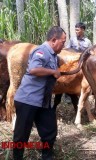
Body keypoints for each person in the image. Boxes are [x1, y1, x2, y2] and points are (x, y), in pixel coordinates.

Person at [13, 26, 66, 160]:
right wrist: (53, 72)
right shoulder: (41, 51)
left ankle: (47, 157)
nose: (63, 45)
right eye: (63, 42)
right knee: (22, 135)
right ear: (54, 40)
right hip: (27, 100)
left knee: (50, 131)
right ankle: (17, 157)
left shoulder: (54, 56)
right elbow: (34, 69)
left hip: (43, 101)